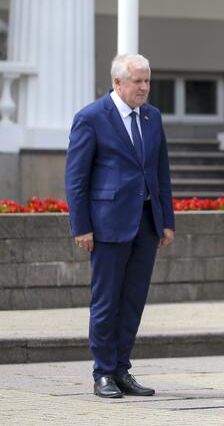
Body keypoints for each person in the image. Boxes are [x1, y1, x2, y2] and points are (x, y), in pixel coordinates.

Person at [65, 54, 176, 399]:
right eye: (137, 82)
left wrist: (166, 221)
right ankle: (102, 373)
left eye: (147, 81)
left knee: (132, 301)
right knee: (106, 301)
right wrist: (81, 226)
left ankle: (122, 369)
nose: (144, 88)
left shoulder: (152, 117)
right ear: (117, 82)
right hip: (107, 225)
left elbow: (161, 174)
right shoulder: (91, 118)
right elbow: (76, 179)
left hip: (145, 224)